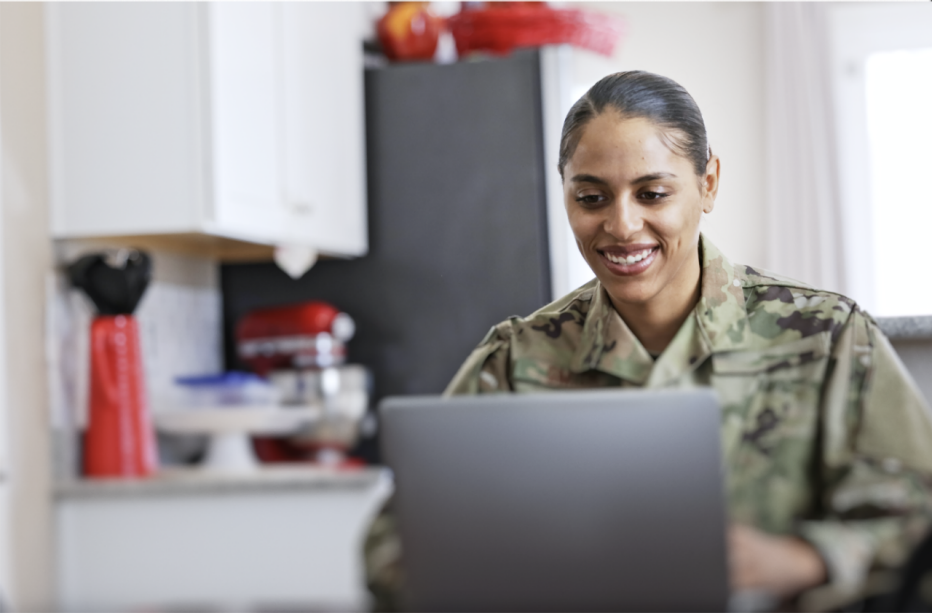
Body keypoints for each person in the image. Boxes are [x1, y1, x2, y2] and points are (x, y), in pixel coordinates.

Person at [365, 71, 932, 611]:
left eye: (653, 193)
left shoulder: (828, 338)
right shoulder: (516, 359)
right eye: (591, 198)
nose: (622, 226)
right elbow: (392, 548)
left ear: (708, 183)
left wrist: (806, 559)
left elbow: (917, 514)